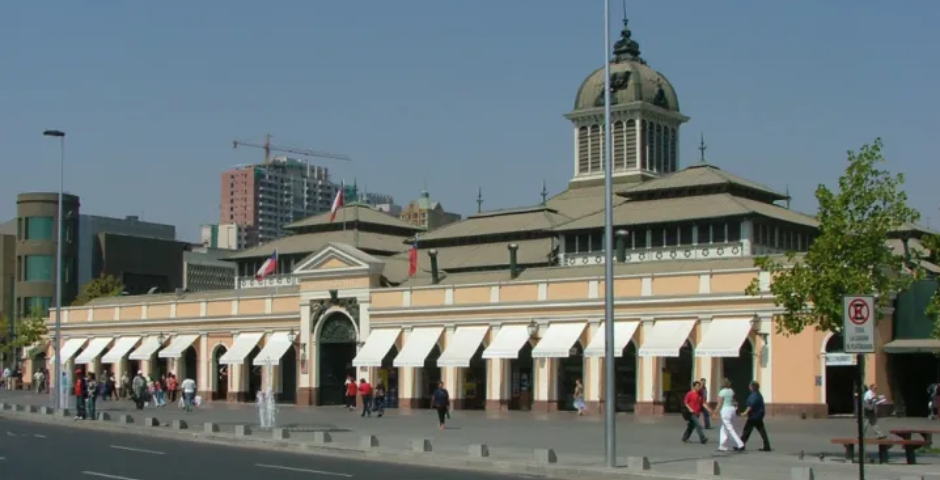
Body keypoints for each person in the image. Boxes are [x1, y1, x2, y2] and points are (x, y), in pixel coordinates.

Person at [739, 381, 771, 451]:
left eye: (750, 386)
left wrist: (745, 413)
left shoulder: (754, 395)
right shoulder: (758, 394)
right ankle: (767, 446)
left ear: (752, 387)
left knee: (746, 430)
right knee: (761, 430)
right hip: (758, 415)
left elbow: (751, 405)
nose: (749, 387)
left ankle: (741, 445)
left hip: (754, 416)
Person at [714, 378, 744, 452]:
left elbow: (719, 403)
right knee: (723, 428)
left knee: (730, 428)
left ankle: (740, 444)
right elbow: (734, 401)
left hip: (725, 410)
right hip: (732, 409)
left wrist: (715, 412)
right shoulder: (731, 391)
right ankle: (722, 445)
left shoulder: (722, 392)